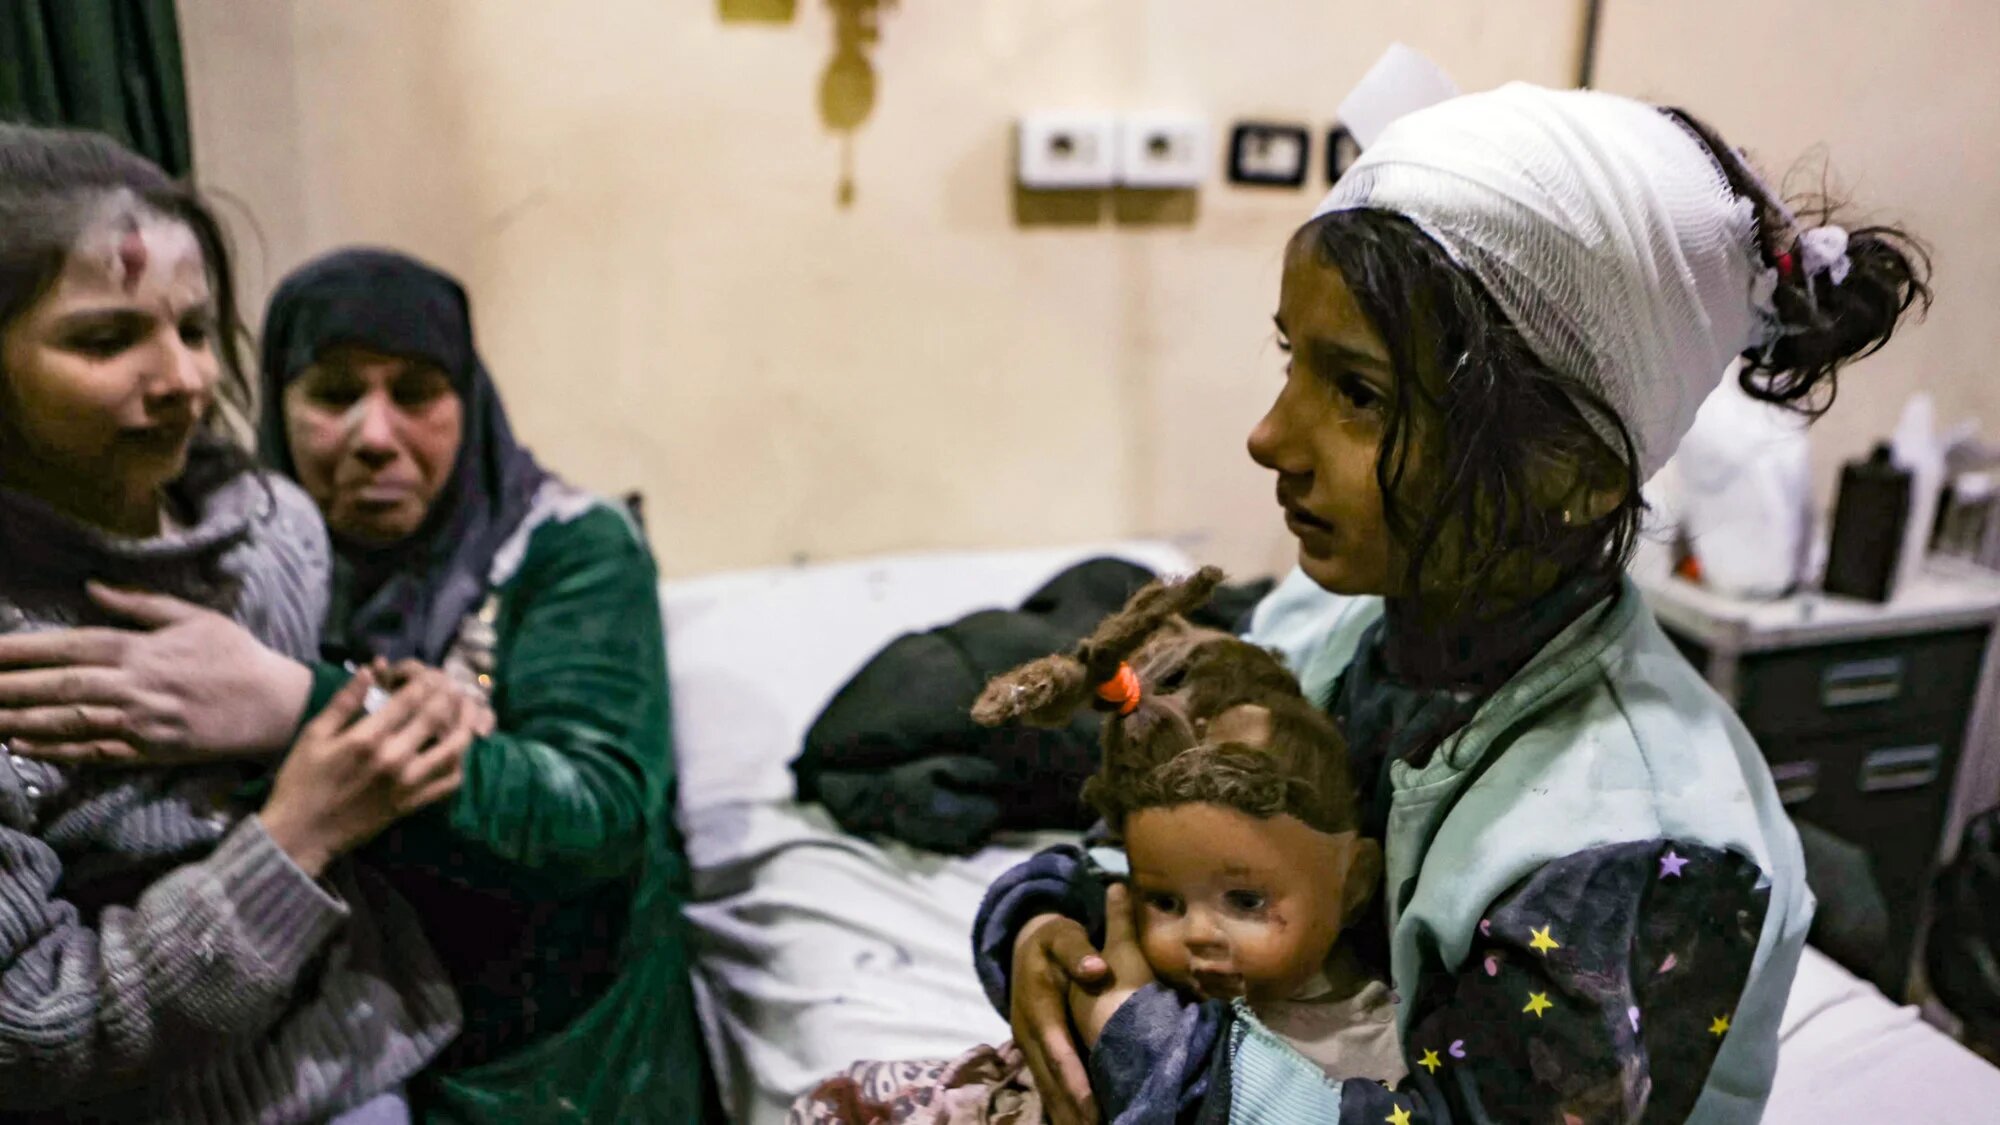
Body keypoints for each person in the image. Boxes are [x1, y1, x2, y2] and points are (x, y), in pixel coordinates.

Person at [981, 84, 1930, 1123]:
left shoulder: (1635, 843)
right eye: (1292, 361)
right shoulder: (1320, 629)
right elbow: (1182, 838)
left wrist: (1151, 1057)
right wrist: (1048, 923)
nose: (1269, 436)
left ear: (1571, 470)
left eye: (1358, 394)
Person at [0, 244, 712, 1121]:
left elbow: (594, 813)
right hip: (309, 1052)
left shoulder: (566, 547)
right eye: (334, 395)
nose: (376, 438)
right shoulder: (246, 556)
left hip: (546, 1061)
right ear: (280, 406)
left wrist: (292, 704)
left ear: (471, 400)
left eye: (416, 394)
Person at [0, 124, 466, 1123]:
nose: (183, 380)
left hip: (356, 1069)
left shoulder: (275, 532)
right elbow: (28, 1028)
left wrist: (363, 710)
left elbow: (305, 747)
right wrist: (300, 831)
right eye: (104, 338)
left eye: (196, 329)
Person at [788, 568, 1399, 1124]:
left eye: (1244, 899)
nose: (1199, 935)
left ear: (1354, 883)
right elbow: (1095, 869)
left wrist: (1134, 1032)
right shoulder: (1127, 939)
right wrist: (1035, 917)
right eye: (1165, 900)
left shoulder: (1370, 1050)